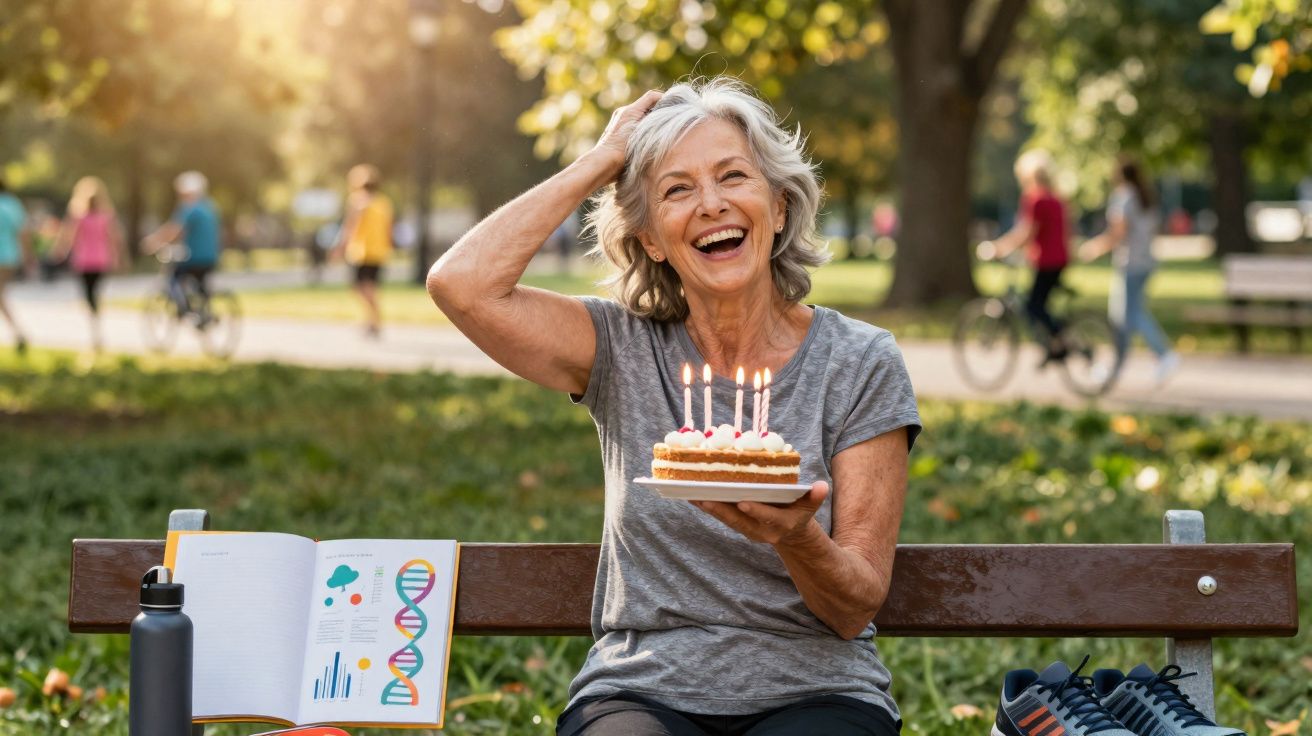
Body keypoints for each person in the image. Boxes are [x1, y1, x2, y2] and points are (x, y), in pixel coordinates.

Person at [427, 78, 920, 735]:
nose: (711, 204)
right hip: (641, 690)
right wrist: (601, 160)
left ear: (777, 205)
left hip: (818, 690)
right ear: (652, 238)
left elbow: (854, 605)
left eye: (733, 176)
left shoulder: (859, 361)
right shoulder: (617, 346)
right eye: (677, 190)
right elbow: (461, 286)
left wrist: (796, 538)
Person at [1080, 157, 1179, 385]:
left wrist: (1095, 248)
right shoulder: (1145, 197)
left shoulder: (1124, 197)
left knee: (1131, 316)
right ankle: (1114, 370)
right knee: (1122, 318)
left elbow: (1118, 232)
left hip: (1131, 264)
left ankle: (1164, 354)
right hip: (1146, 262)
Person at [993, 149, 1071, 363]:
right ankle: (1053, 344)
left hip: (1047, 260)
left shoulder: (1036, 199)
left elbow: (1026, 232)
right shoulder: (1057, 198)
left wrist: (1001, 247)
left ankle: (1059, 341)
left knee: (1033, 306)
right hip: (1059, 258)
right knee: (1039, 304)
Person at [55, 176, 124, 351]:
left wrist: (61, 252)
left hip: (85, 261)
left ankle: (94, 325)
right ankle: (96, 324)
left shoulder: (81, 217)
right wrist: (117, 257)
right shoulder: (104, 217)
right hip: (100, 260)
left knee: (89, 295)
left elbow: (69, 237)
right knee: (94, 294)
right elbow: (114, 239)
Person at [144, 171, 222, 318]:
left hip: (194, 257)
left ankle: (183, 308)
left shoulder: (190, 208)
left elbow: (174, 230)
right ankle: (204, 312)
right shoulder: (211, 207)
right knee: (200, 284)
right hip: (211, 257)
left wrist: (154, 241)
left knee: (174, 274)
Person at [332, 164, 393, 338]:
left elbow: (350, 227)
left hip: (361, 252)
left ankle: (374, 320)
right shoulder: (384, 203)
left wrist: (340, 247)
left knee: (361, 287)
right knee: (369, 287)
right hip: (379, 251)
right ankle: (371, 321)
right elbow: (389, 228)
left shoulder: (357, 201)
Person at [0, 177, 32, 353]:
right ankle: (18, 333)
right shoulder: (12, 204)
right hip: (10, 255)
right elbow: (23, 232)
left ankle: (18, 333)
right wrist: (28, 256)